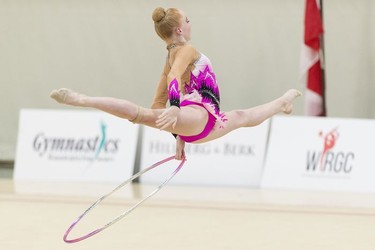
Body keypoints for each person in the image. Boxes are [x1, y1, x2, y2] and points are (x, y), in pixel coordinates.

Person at [50, 7, 301, 160]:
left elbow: (157, 102)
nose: (191, 24)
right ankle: (82, 99)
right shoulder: (187, 50)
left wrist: (176, 131)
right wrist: (175, 110)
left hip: (195, 125)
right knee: (242, 117)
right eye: (187, 20)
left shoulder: (168, 56)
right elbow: (171, 83)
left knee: (140, 114)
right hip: (201, 115)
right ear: (179, 30)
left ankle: (283, 102)